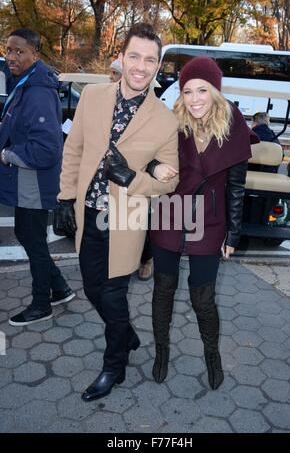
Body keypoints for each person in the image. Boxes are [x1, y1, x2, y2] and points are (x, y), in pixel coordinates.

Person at [56, 23, 179, 401]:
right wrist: (64, 198)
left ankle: (115, 366)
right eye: (135, 56)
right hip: (88, 212)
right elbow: (74, 148)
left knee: (112, 295)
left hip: (125, 220)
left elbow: (169, 181)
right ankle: (124, 332)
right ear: (121, 57)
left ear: (158, 66)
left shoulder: (164, 118)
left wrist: (134, 178)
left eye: (151, 60)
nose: (141, 66)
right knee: (92, 288)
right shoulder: (92, 96)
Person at [150, 56, 256, 391]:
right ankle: (162, 353)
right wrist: (155, 167)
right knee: (163, 290)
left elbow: (236, 187)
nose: (194, 98)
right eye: (187, 91)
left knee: (203, 298)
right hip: (169, 214)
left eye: (202, 90)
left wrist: (233, 234)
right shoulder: (171, 123)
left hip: (209, 222)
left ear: (215, 91)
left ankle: (212, 355)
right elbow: (146, 157)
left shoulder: (234, 126)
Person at [0, 28, 75, 327]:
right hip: (26, 181)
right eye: (8, 49)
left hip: (31, 181)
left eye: (20, 51)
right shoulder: (25, 82)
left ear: (35, 55)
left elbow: (46, 148)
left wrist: (6, 155)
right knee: (31, 237)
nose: (12, 56)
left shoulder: (38, 91)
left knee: (32, 239)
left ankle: (41, 304)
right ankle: (60, 289)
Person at [109, 57, 154, 281]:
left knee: (138, 223)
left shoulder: (147, 107)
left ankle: (146, 258)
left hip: (135, 176)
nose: (110, 78)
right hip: (108, 176)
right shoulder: (106, 101)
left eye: (114, 73)